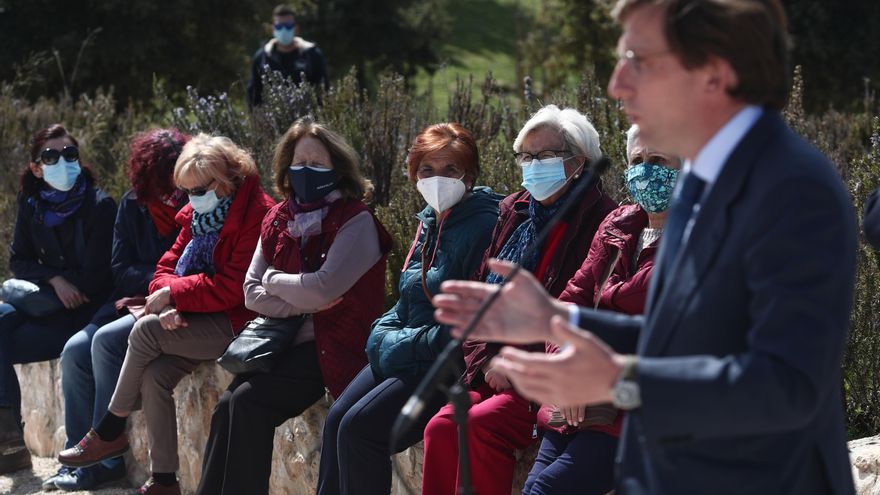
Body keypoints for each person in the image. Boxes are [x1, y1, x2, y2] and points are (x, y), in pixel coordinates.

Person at [433, 1, 858, 494]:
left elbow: (786, 386)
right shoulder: (704, 179)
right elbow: (679, 335)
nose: (617, 83)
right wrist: (556, 318)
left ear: (713, 73)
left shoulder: (792, 188)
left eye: (639, 59)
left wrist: (618, 378)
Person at [58, 134, 275, 495]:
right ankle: (163, 481)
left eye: (197, 189)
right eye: (186, 190)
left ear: (223, 181)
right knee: (155, 374)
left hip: (240, 322)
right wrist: (172, 299)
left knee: (144, 332)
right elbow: (167, 265)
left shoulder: (257, 214)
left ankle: (110, 429)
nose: (190, 199)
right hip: (202, 314)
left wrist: (174, 295)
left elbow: (232, 287)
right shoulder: (200, 212)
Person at [420, 105, 617, 495]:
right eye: (526, 156)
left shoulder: (600, 221)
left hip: (541, 375)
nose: (532, 165)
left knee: (479, 427)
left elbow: (573, 310)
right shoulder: (515, 211)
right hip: (490, 367)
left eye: (544, 155)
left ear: (579, 163)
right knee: (440, 427)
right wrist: (489, 359)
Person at [196, 119, 392, 495]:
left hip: (333, 349)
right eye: (298, 163)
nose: (306, 172)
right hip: (284, 342)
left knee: (250, 403)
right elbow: (251, 292)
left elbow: (322, 290)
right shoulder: (279, 217)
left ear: (338, 168)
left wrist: (281, 285)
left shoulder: (356, 221)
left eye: (317, 164)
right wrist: (300, 297)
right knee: (228, 405)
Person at [316, 123, 501, 495]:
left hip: (445, 365)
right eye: (427, 170)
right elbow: (407, 298)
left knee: (361, 431)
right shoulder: (430, 221)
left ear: (471, 174)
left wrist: (397, 345)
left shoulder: (484, 225)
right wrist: (383, 336)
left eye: (451, 170)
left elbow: (467, 325)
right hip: (412, 350)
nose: (438, 180)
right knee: (336, 419)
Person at [522, 125, 681, 495]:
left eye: (658, 160)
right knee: (536, 488)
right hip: (575, 405)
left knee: (545, 490)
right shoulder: (618, 225)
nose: (645, 170)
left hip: (638, 414)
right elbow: (568, 303)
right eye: (637, 161)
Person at [42, 129, 189, 491]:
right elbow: (120, 270)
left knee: (104, 343)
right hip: (129, 302)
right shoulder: (132, 204)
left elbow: (190, 269)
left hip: (171, 303)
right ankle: (78, 456)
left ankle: (105, 461)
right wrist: (161, 273)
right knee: (75, 350)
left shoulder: (195, 203)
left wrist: (158, 277)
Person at [0, 124, 117, 475]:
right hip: (50, 309)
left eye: (70, 154)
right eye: (51, 156)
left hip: (86, 313)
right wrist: (54, 280)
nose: (63, 162)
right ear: (36, 167)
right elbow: (18, 259)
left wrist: (69, 287)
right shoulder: (31, 203)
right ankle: (10, 439)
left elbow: (100, 275)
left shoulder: (100, 205)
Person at [246, 4, 329, 108]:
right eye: (279, 26)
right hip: (271, 120)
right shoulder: (262, 57)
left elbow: (323, 90)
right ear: (273, 28)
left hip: (306, 120)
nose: (284, 30)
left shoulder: (312, 54)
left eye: (288, 26)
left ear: (296, 28)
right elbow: (253, 95)